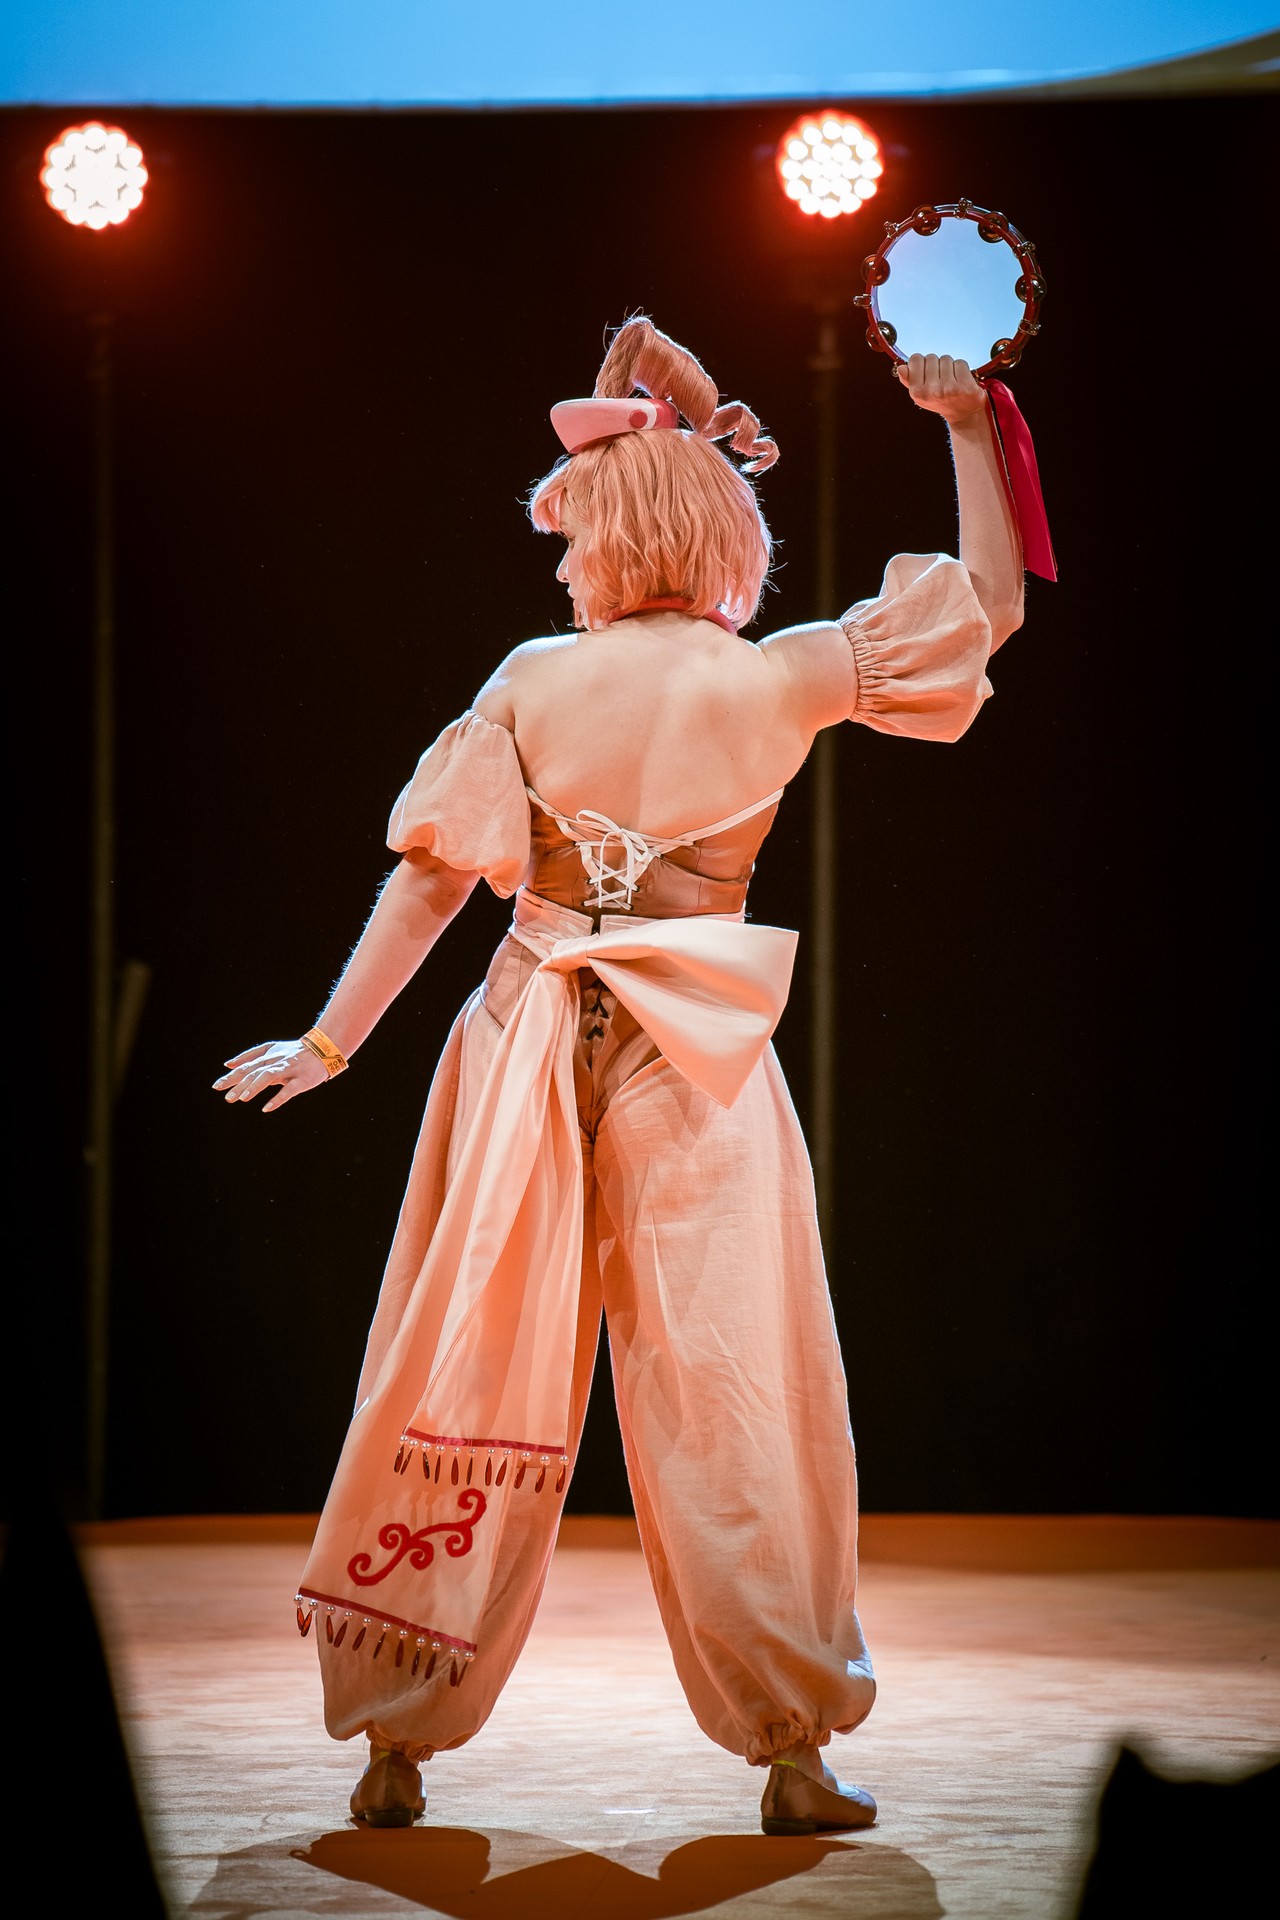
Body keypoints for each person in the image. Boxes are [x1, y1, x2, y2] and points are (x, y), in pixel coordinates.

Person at [214, 316, 1024, 1836]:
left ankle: (395, 1740)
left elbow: (433, 884)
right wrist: (970, 430)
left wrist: (330, 1042)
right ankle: (792, 1751)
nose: (565, 559)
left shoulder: (533, 679)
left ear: (605, 532)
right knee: (735, 1389)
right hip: (690, 1052)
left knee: (460, 1366)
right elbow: (985, 611)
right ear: (720, 532)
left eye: (574, 531)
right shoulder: (778, 678)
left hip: (526, 1033)